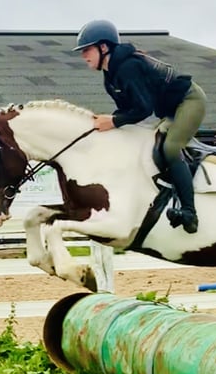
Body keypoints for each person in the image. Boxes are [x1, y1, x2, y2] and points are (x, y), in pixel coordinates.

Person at [72, 19, 206, 234]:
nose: (83, 56)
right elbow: (127, 111)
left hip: (189, 100)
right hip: (169, 110)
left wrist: (113, 121)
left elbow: (142, 110)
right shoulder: (110, 75)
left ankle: (190, 212)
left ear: (104, 47)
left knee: (171, 148)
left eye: (87, 50)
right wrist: (109, 122)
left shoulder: (128, 67)